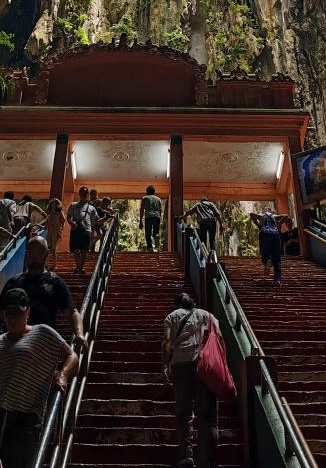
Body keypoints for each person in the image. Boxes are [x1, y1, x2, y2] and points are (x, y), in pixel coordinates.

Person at [0, 287, 78, 468]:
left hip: (26, 416)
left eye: (17, 313)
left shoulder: (42, 333)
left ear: (28, 312)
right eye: (8, 313)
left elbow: (72, 356)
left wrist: (63, 375)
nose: (12, 318)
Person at [0, 237, 86, 352]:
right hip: (12, 348)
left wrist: (79, 334)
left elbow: (72, 313)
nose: (34, 257)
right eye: (31, 253)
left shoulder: (55, 282)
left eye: (39, 253)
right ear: (26, 255)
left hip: (42, 347)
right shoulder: (14, 282)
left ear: (46, 255)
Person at [162, 291, 221, 468]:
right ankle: (207, 459)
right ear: (193, 303)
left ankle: (186, 455)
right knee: (208, 413)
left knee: (184, 411)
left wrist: (166, 364)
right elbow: (219, 340)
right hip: (205, 365)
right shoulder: (209, 316)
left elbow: (167, 341)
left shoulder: (172, 316)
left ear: (176, 304)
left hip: (181, 364)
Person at [249, 205, 291, 287]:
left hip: (264, 233)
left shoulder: (261, 215)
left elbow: (251, 214)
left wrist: (258, 224)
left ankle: (267, 261)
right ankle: (277, 280)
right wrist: (279, 224)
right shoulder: (274, 216)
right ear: (271, 211)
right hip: (275, 234)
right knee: (276, 257)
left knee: (264, 253)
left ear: (264, 211)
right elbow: (286, 216)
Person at [67, 186, 96, 275]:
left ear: (87, 195)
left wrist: (93, 233)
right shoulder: (73, 205)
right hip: (75, 230)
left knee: (84, 250)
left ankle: (80, 267)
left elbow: (94, 221)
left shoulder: (91, 208)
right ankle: (79, 266)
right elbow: (68, 217)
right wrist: (73, 224)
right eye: (82, 193)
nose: (84, 195)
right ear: (79, 194)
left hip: (87, 230)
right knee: (75, 250)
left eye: (85, 194)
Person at [140, 186, 163, 252]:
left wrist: (140, 221)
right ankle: (157, 247)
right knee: (156, 232)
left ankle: (150, 248)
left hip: (148, 217)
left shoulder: (144, 198)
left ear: (147, 191)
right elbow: (160, 209)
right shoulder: (158, 199)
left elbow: (142, 209)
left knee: (148, 233)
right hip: (157, 216)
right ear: (154, 192)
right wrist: (159, 218)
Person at [44, 198, 66, 270]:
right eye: (52, 203)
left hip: (56, 232)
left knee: (53, 249)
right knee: (46, 249)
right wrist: (36, 226)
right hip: (49, 232)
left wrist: (61, 230)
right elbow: (45, 226)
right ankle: (46, 264)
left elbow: (63, 221)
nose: (53, 204)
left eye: (55, 203)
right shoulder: (49, 214)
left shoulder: (59, 212)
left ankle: (54, 265)